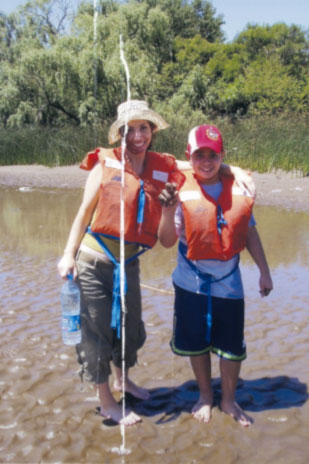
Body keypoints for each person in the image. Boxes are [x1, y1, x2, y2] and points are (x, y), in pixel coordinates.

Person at [57, 101, 255, 426]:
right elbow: (83, 213)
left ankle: (123, 381)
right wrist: (68, 254)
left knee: (128, 327)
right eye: (130, 129)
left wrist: (235, 170)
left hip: (129, 263)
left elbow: (198, 163)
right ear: (120, 133)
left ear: (152, 132)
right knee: (96, 333)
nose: (137, 135)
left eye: (143, 128)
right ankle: (106, 400)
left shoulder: (160, 164)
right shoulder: (105, 164)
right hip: (94, 261)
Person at [158, 124, 273, 427]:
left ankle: (228, 400)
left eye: (212, 155)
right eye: (199, 155)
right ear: (189, 155)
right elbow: (167, 241)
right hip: (190, 282)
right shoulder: (179, 189)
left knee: (232, 348)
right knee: (196, 344)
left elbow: (249, 233)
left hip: (229, 284)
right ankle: (206, 396)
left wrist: (264, 272)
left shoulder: (239, 187)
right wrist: (168, 212)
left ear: (222, 155)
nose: (206, 161)